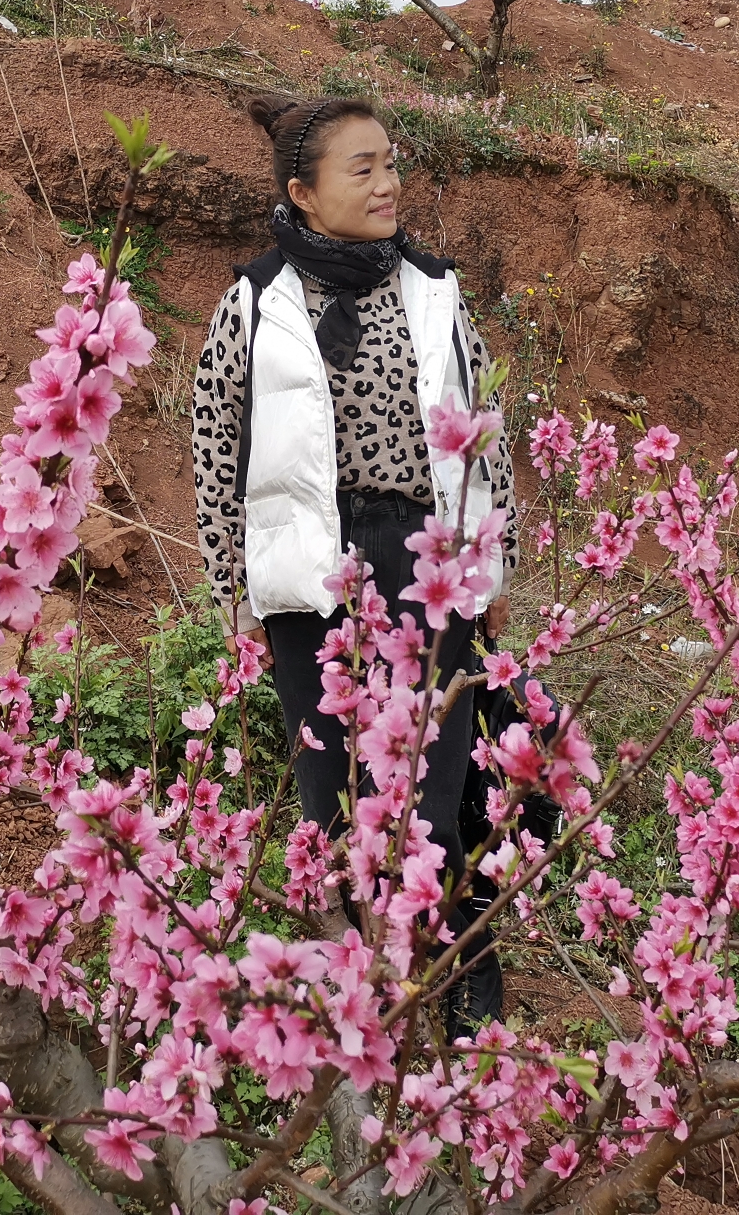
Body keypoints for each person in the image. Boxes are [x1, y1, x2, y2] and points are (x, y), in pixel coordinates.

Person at [191, 93, 515, 1027]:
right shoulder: (254, 302)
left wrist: (495, 566)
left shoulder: (434, 289)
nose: (387, 184)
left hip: (426, 559)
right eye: (361, 169)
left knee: (438, 781)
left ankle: (462, 978)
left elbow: (482, 433)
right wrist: (231, 590)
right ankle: (353, 991)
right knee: (329, 790)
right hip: (310, 571)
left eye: (391, 164)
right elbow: (220, 453)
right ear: (302, 190)